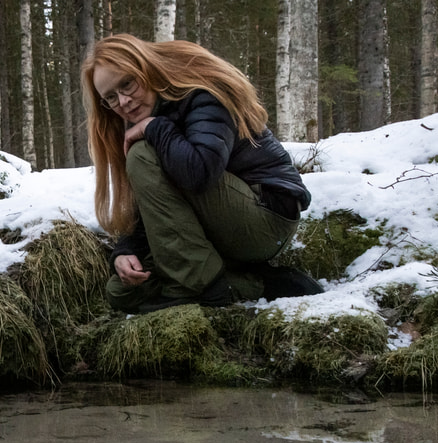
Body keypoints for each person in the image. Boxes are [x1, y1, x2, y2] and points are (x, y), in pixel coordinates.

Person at [82, 33, 323, 314]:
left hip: (266, 218)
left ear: (146, 68)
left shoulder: (202, 94)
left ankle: (198, 283)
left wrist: (154, 128)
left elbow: (199, 173)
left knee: (143, 155)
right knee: (122, 292)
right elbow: (159, 206)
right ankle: (262, 285)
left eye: (127, 84)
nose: (123, 101)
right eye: (110, 97)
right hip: (221, 220)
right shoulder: (147, 116)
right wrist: (126, 251)